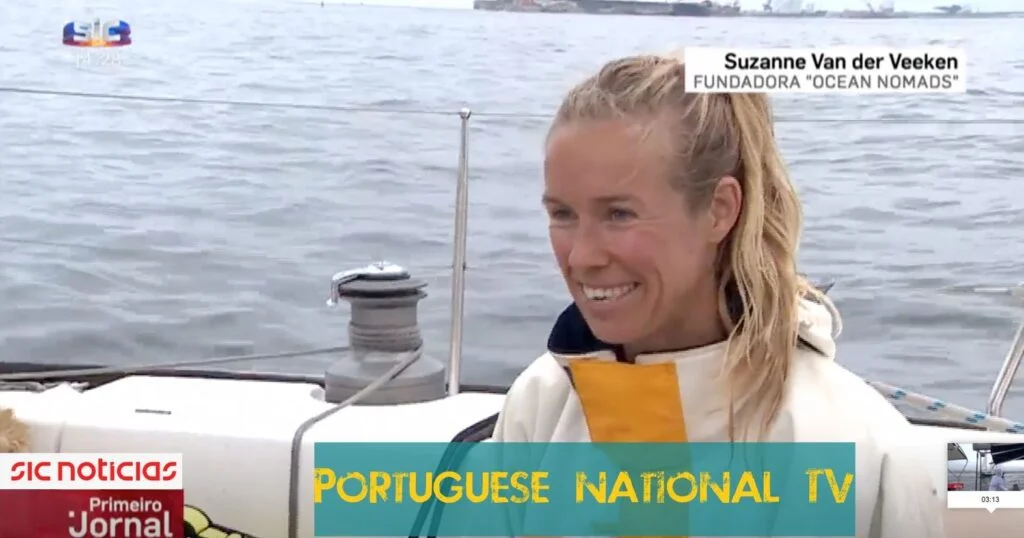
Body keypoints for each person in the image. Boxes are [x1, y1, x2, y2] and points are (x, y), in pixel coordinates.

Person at [490, 53, 944, 536]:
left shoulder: (864, 448)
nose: (581, 257)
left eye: (619, 214)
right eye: (562, 214)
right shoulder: (540, 403)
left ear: (719, 209)